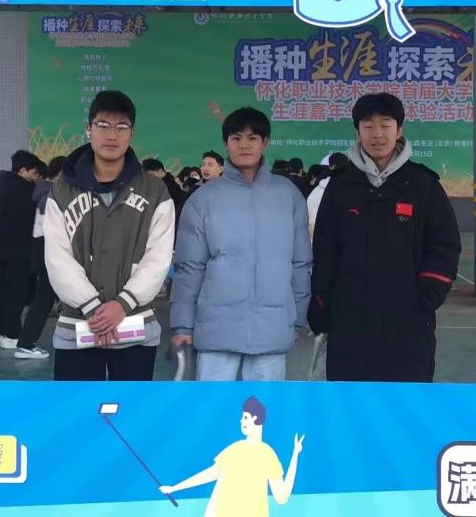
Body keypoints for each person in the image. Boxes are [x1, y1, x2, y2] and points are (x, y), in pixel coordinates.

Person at [308, 93, 461, 382]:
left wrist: (429, 293)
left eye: (385, 125)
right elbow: (324, 248)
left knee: (406, 398)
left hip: (408, 319)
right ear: (358, 132)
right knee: (350, 398)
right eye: (368, 126)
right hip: (349, 318)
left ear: (399, 130)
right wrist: (322, 300)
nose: (377, 134)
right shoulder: (341, 186)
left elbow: (445, 244)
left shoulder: (422, 184)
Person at [171, 108, 311, 381]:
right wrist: (183, 325)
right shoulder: (203, 200)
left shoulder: (289, 195)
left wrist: (297, 318)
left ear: (265, 142)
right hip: (216, 332)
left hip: (271, 330)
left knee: (264, 408)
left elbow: (300, 262)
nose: (244, 145)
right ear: (226, 143)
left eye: (252, 138)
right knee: (214, 406)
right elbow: (189, 268)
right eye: (236, 138)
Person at [44, 90, 175, 381]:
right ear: (89, 129)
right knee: (77, 408)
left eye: (121, 127)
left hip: (134, 326)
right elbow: (57, 257)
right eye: (103, 125)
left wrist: (122, 304)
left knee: (131, 410)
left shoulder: (155, 191)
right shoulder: (62, 190)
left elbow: (158, 257)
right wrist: (93, 308)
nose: (112, 135)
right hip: (77, 327)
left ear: (131, 134)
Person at [159, 396, 304, 516]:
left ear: (255, 418)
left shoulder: (267, 455)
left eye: (245, 417)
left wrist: (295, 455)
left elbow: (281, 496)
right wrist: (175, 488)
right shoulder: (234, 449)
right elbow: (209, 474)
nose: (241, 421)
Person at [0, 150, 42, 350]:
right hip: (17, 249)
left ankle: (1, 332)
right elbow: (27, 221)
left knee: (3, 291)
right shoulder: (23, 189)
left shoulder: (2, 184)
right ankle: (12, 334)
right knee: (16, 292)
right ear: (23, 170)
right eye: (33, 172)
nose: (34, 177)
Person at [15, 156, 67, 360]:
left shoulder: (46, 191)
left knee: (45, 299)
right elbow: (53, 228)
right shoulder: (50, 195)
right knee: (43, 300)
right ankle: (26, 344)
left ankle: (26, 343)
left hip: (44, 251)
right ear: (61, 174)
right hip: (49, 252)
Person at [306, 153, 348, 239]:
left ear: (331, 167)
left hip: (324, 240)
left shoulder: (319, 190)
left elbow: (311, 223)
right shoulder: (359, 189)